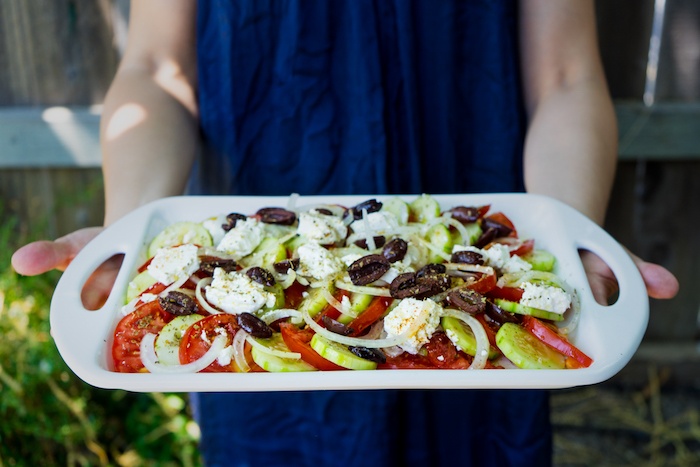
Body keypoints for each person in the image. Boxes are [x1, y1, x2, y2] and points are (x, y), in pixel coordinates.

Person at [12, 1, 679, 466]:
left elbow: (566, 75)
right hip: (256, 298)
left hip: (468, 270)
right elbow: (157, 68)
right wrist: (131, 236)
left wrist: (567, 233)